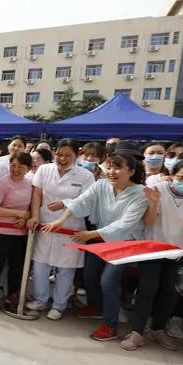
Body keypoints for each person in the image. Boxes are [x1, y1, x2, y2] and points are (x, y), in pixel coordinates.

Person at [41, 142, 149, 341]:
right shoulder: (101, 185)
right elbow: (81, 202)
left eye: (118, 167)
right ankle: (97, 307)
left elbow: (125, 225)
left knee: (108, 282)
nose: (112, 171)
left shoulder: (141, 194)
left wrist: (89, 235)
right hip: (99, 239)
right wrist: (61, 219)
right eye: (110, 166)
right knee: (89, 276)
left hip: (123, 244)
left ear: (132, 171)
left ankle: (110, 325)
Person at [123, 159, 183, 351]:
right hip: (152, 247)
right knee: (147, 289)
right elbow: (147, 222)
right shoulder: (158, 188)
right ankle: (137, 332)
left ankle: (158, 329)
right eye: (181, 177)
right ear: (172, 175)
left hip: (180, 250)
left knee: (171, 291)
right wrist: (154, 203)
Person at [25, 139, 95, 320]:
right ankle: (40, 300)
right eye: (59, 154)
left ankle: (58, 305)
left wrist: (65, 203)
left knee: (65, 269)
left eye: (67, 155)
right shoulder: (44, 169)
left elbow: (86, 202)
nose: (62, 159)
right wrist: (34, 216)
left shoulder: (85, 176)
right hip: (45, 224)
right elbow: (37, 194)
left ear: (76, 156)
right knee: (40, 265)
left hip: (70, 228)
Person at [0, 152, 33, 312]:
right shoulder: (2, 183)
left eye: (20, 166)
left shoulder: (30, 184)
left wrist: (26, 218)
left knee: (16, 268)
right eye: (13, 165)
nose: (16, 169)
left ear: (29, 168)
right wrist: (17, 214)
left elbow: (32, 208)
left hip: (20, 235)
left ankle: (12, 296)